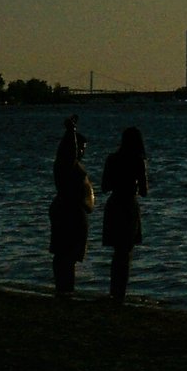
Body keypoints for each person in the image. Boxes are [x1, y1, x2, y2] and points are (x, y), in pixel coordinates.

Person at [99, 128, 150, 307]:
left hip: (114, 205)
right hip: (128, 205)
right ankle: (121, 292)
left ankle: (114, 290)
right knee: (126, 251)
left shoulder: (111, 159)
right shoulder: (138, 161)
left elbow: (104, 186)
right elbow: (144, 191)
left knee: (117, 252)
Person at [48, 117, 92, 295]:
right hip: (70, 211)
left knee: (69, 255)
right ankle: (64, 288)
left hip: (75, 211)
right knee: (65, 253)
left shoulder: (71, 165)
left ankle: (66, 288)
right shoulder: (67, 163)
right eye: (81, 147)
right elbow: (69, 151)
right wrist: (71, 130)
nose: (82, 151)